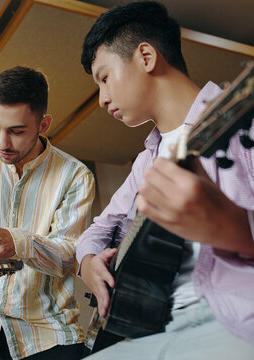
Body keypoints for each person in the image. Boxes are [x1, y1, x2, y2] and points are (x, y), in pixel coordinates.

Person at [76, 2, 254, 359]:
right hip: (152, 327)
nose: (101, 99)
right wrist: (88, 265)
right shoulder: (146, 163)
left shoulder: (240, 124)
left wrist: (237, 231)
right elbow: (95, 232)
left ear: (145, 56)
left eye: (104, 78)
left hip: (234, 318)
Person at [0, 66, 95, 359]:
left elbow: (70, 255)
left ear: (43, 125)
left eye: (16, 131)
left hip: (49, 335)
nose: (2, 143)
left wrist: (18, 242)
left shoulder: (75, 175)